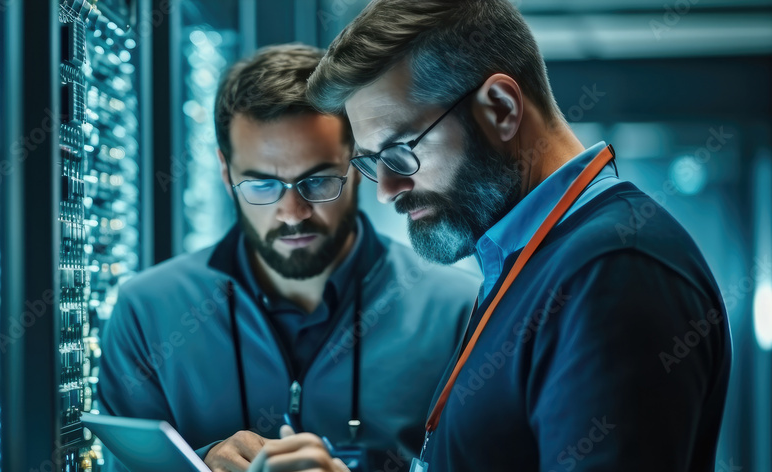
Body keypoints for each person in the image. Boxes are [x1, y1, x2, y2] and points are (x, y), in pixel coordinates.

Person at [249, 1, 733, 471]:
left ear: (500, 108)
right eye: (373, 163)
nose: (387, 190)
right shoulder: (536, 256)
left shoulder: (615, 269)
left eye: (400, 151)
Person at [96, 43, 480, 472]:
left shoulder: (457, 311)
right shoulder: (145, 313)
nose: (293, 213)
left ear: (356, 166)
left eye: (317, 182)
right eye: (261, 186)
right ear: (226, 174)